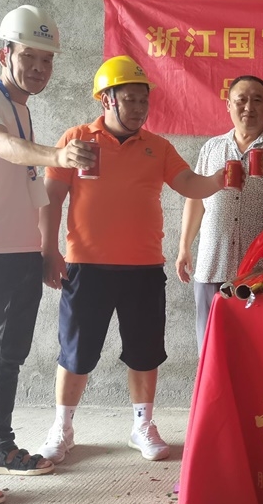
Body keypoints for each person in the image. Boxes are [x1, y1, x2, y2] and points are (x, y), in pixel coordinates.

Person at [0, 5, 97, 504]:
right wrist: (58, 155)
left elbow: (27, 184)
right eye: (30, 56)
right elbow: (2, 147)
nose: (39, 68)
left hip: (23, 251)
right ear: (4, 54)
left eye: (47, 60)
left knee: (9, 357)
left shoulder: (22, 109)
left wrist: (46, 250)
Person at [37, 55, 226, 465]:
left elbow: (188, 183)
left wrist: (219, 180)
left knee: (144, 351)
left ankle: (142, 425)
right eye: (131, 99)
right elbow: (51, 200)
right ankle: (62, 427)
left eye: (144, 100)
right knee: (76, 353)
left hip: (143, 268)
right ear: (107, 99)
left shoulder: (158, 147)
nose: (140, 108)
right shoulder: (77, 140)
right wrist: (49, 251)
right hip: (86, 266)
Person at [175, 76, 263, 352]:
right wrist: (184, 247)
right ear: (228, 105)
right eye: (241, 100)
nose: (249, 107)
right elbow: (195, 198)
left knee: (261, 347)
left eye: (257, 100)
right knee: (211, 346)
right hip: (213, 263)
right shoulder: (211, 147)